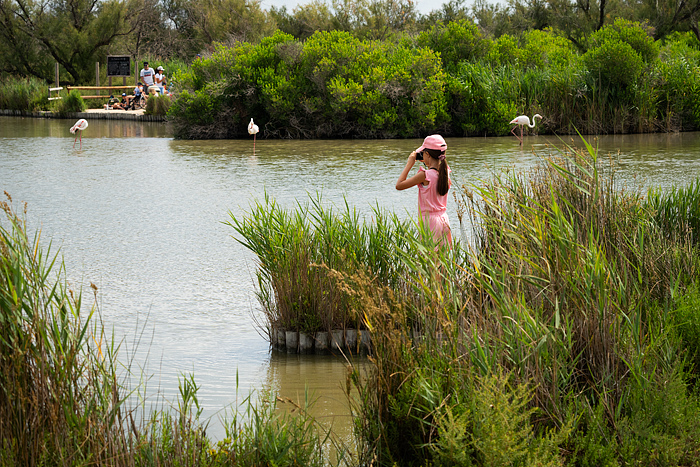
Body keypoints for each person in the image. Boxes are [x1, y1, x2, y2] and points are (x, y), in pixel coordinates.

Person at [395, 134, 452, 246]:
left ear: (427, 154)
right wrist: (428, 161)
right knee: (441, 259)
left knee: (429, 260)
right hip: (444, 220)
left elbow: (399, 185)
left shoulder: (425, 175)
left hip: (430, 222)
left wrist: (410, 163)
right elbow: (436, 163)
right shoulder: (445, 173)